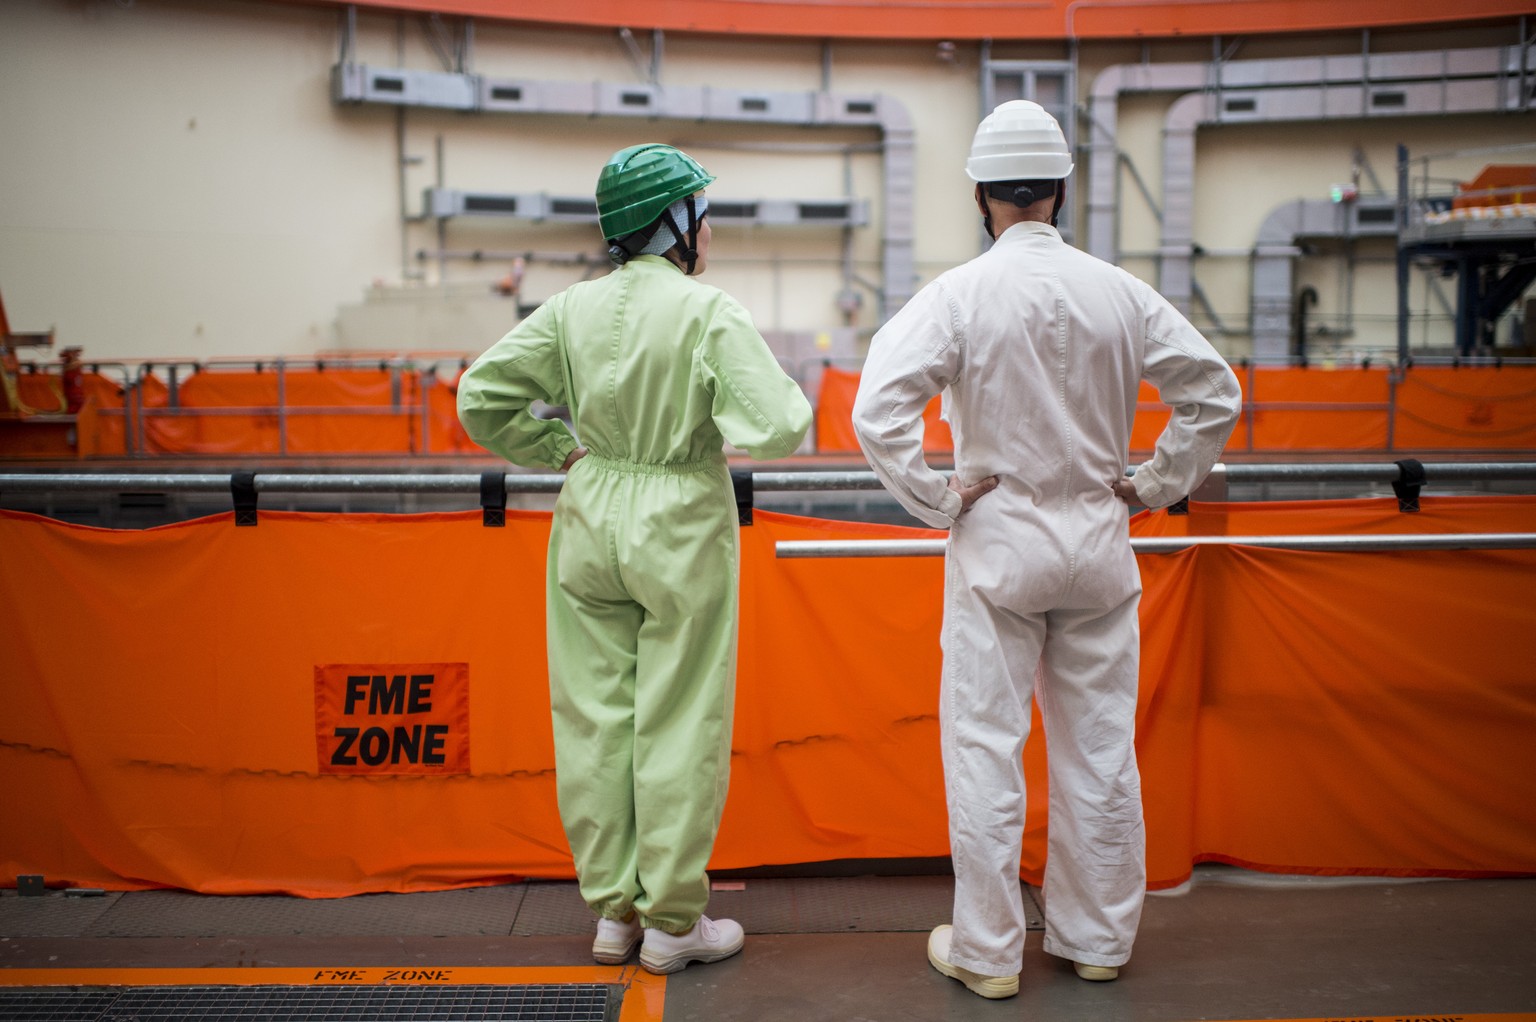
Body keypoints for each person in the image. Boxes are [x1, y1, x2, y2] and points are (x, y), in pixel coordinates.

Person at [852, 100, 1241, 999]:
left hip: (998, 550)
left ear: (983, 194)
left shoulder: (959, 295)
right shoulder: (1120, 292)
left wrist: (938, 498)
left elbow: (878, 409)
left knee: (987, 745)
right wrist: (1150, 484)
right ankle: (1097, 939)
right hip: (1100, 548)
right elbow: (1212, 394)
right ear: (1062, 189)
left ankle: (988, 953)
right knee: (1101, 749)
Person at [457, 143, 812, 975]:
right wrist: (714, 424)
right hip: (680, 516)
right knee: (678, 717)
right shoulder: (707, 310)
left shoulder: (569, 309)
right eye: (701, 212)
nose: (710, 228)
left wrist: (556, 446)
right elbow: (781, 424)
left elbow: (480, 395)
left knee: (593, 716)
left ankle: (614, 913)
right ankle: (673, 922)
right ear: (675, 222)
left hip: (588, 512)